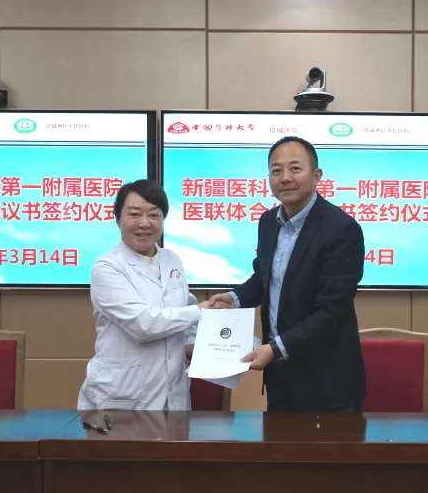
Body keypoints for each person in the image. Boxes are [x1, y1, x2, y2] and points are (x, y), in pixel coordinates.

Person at [208, 136, 366, 412]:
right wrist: (234, 298)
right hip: (279, 377)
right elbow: (264, 278)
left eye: (295, 168)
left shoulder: (341, 229)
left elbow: (332, 312)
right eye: (276, 170)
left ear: (316, 175)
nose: (285, 178)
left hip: (327, 381)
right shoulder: (268, 221)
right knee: (278, 442)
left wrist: (275, 349)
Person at [77, 179, 213, 411]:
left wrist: (191, 345)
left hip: (174, 396)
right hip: (123, 397)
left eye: (154, 215)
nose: (144, 223)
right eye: (134, 214)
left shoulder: (172, 259)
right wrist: (201, 311)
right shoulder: (107, 267)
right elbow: (144, 324)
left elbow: (186, 316)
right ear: (117, 219)